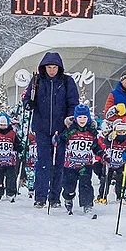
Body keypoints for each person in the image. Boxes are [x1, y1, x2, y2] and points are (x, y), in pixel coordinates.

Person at [23, 52, 80, 208]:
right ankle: (40, 196)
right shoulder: (37, 81)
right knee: (43, 162)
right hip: (41, 127)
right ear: (44, 67)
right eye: (49, 67)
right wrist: (28, 103)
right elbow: (27, 98)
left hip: (62, 129)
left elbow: (73, 103)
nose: (52, 70)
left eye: (55, 67)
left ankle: (54, 197)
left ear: (59, 68)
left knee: (59, 163)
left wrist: (70, 118)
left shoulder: (67, 82)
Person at [58, 104, 105, 214]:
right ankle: (68, 198)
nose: (82, 120)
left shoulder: (91, 132)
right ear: (75, 118)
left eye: (84, 117)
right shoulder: (71, 130)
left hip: (86, 164)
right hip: (70, 165)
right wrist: (57, 140)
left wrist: (102, 154)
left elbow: (95, 146)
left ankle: (87, 204)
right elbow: (61, 140)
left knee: (86, 184)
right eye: (80, 117)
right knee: (69, 185)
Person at [0, 113, 22, 203]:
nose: (3, 127)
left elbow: (17, 143)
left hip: (10, 161)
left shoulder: (12, 133)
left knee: (11, 177)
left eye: (5, 125)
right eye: (1, 125)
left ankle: (11, 192)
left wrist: (19, 148)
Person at [99, 118, 126, 204]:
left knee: (120, 180)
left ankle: (119, 195)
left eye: (123, 132)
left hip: (121, 164)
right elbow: (105, 142)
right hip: (109, 163)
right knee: (106, 180)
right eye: (119, 132)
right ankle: (102, 196)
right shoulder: (111, 138)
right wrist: (108, 138)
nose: (121, 134)